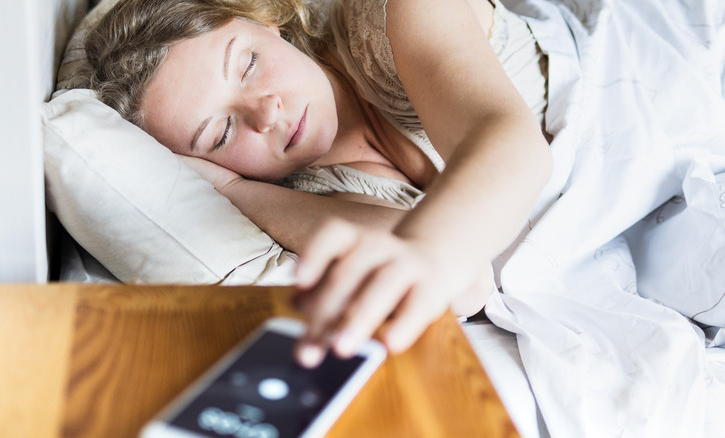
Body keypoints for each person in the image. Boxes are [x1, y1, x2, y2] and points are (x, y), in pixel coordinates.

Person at [86, 0, 552, 367]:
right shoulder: (309, 194)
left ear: (268, 23)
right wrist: (233, 192)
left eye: (248, 65)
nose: (266, 113)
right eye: (221, 134)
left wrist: (427, 249)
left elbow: (510, 144)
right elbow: (467, 285)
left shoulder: (395, 15)